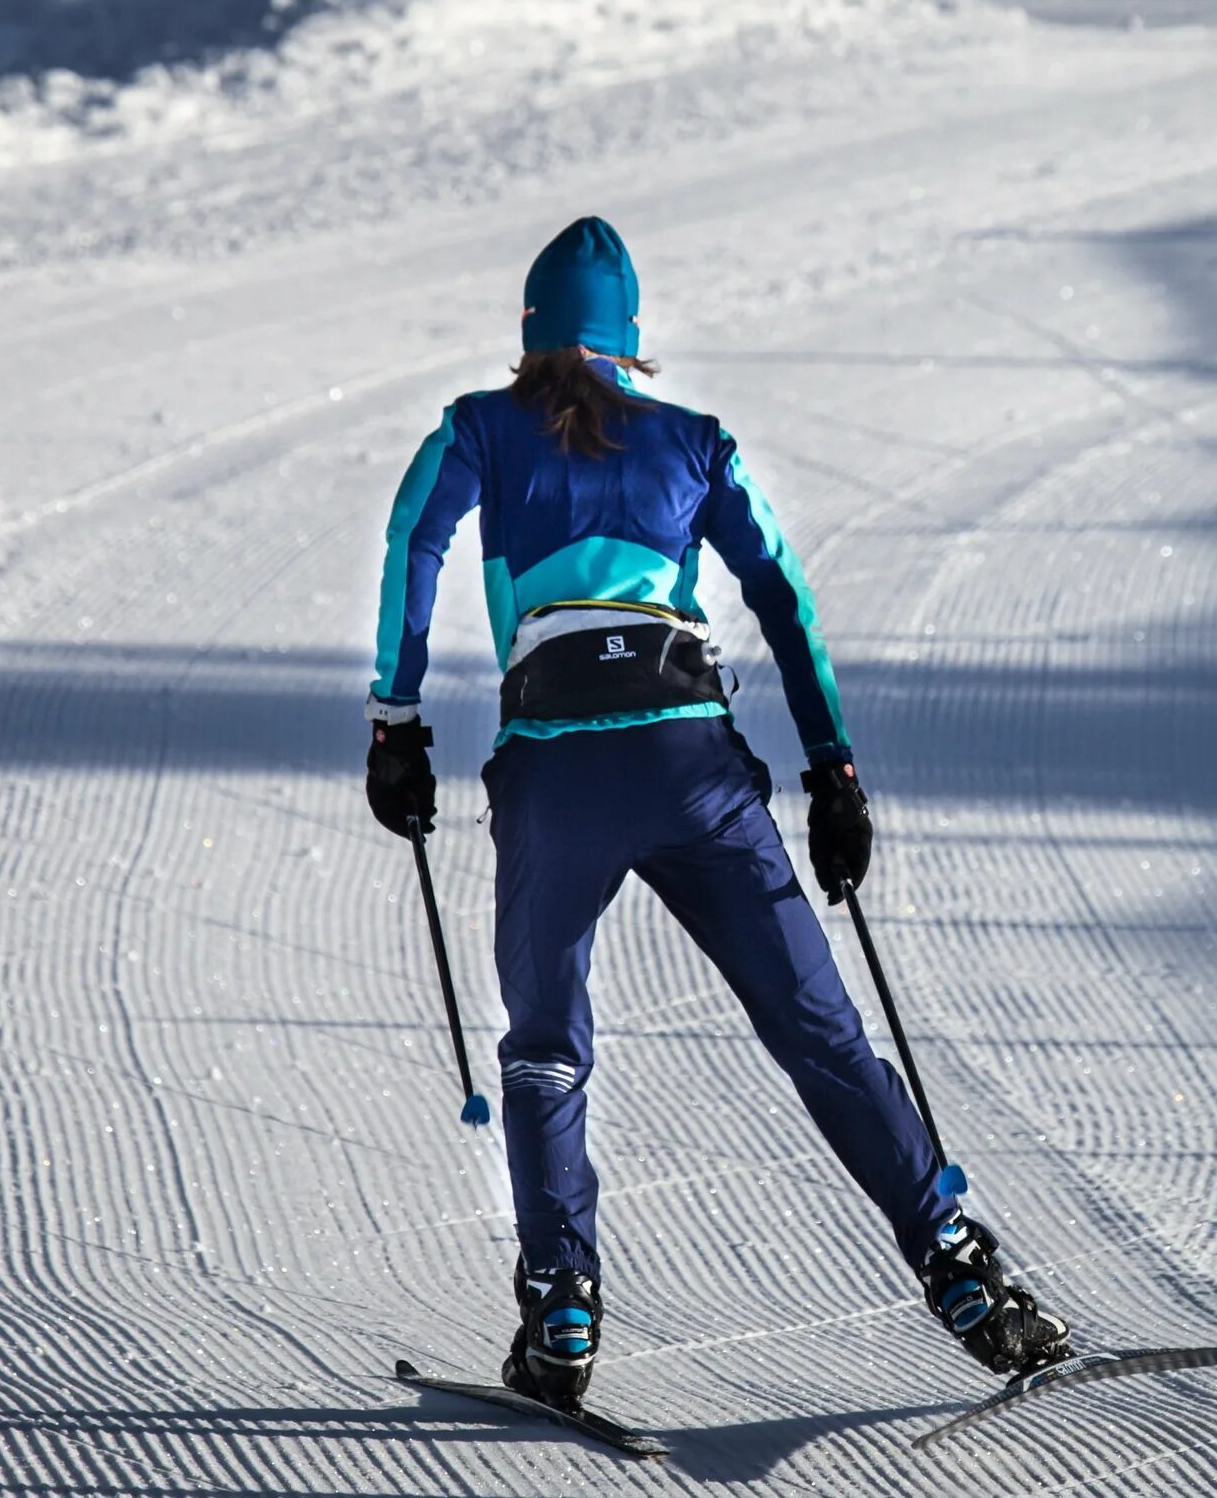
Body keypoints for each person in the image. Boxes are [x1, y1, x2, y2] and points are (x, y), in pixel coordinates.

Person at [361, 216, 1074, 1413]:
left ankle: (563, 1301)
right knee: (821, 1030)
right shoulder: (696, 441)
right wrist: (832, 768)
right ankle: (958, 1265)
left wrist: (396, 720)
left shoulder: (477, 429)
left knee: (544, 1047)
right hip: (693, 766)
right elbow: (783, 596)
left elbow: (411, 543)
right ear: (632, 340)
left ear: (530, 332)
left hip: (554, 774)